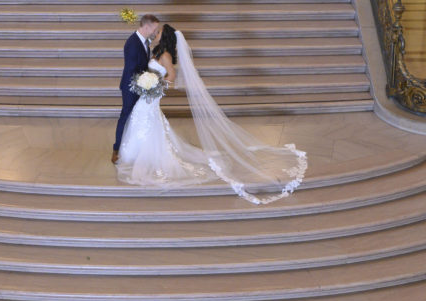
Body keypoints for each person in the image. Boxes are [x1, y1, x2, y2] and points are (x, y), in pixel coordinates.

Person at [115, 23, 307, 205]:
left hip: (152, 95)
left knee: (148, 121)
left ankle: (144, 155)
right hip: (148, 96)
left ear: (163, 37)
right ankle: (134, 152)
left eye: (158, 32)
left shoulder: (165, 55)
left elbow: (171, 75)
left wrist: (157, 86)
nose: (155, 34)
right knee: (143, 119)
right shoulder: (156, 51)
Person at [112, 14, 159, 164]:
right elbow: (132, 70)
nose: (155, 32)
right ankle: (116, 149)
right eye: (154, 28)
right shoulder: (133, 43)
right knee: (126, 117)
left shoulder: (144, 42)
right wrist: (146, 82)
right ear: (147, 26)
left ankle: (133, 148)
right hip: (131, 88)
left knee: (135, 119)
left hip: (140, 87)